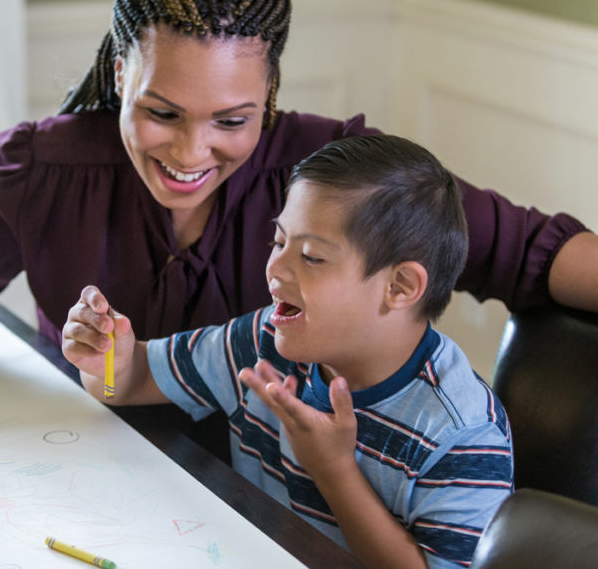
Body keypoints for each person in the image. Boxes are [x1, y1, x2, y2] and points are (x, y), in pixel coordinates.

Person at [0, 0, 597, 410]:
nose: (192, 152)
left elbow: (532, 249)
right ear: (122, 73)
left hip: (283, 509)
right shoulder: (42, 168)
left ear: (270, 93)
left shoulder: (342, 175)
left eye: (232, 119)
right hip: (89, 477)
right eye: (163, 112)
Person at [62, 134, 513, 568]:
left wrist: (333, 470)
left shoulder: (463, 433)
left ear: (400, 286)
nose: (276, 267)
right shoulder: (263, 342)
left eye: (312, 256)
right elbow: (135, 380)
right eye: (279, 242)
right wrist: (107, 358)